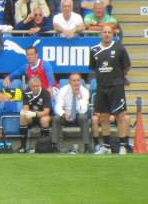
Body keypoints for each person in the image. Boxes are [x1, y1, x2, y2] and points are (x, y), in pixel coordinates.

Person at [90, 24, 132, 154]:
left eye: (109, 32)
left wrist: (117, 77)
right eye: (104, 32)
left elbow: (127, 66)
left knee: (120, 116)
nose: (107, 34)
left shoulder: (119, 48)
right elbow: (93, 67)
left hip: (116, 87)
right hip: (102, 87)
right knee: (103, 117)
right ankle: (106, 146)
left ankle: (123, 146)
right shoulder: (94, 50)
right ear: (100, 34)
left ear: (113, 34)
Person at [52, 73, 91, 153]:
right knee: (56, 118)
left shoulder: (84, 91)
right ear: (69, 82)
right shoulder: (63, 90)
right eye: (74, 81)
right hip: (66, 115)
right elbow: (57, 106)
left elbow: (83, 110)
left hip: (77, 116)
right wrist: (63, 114)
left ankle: (86, 146)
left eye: (78, 80)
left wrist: (78, 97)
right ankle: (54, 146)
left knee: (83, 117)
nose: (76, 83)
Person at [18, 75, 52, 152]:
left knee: (44, 119)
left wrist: (34, 114)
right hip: (31, 117)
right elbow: (26, 109)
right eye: (34, 86)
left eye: (37, 86)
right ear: (30, 86)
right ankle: (23, 147)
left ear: (40, 85)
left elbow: (46, 112)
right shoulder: (26, 92)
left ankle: (44, 146)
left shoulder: (45, 93)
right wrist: (27, 113)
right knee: (22, 115)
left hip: (43, 116)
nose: (36, 88)